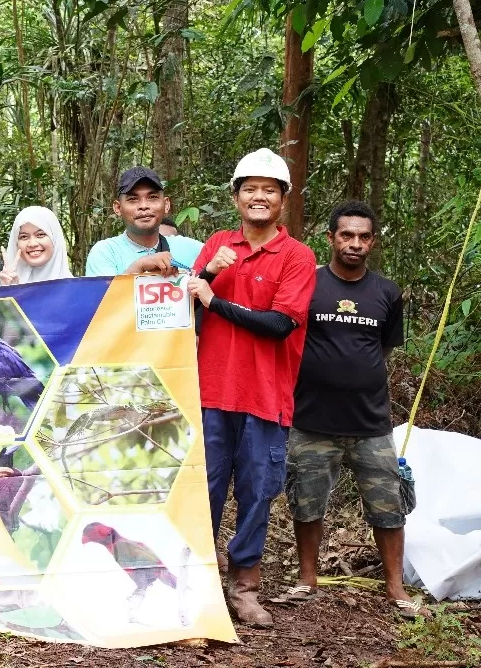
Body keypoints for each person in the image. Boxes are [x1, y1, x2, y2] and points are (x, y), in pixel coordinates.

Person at [184, 148, 318, 627]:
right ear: (236, 197)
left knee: (258, 493)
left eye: (269, 189)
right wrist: (207, 273)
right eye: (249, 189)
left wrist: (216, 300)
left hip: (265, 397)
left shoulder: (298, 256)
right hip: (209, 394)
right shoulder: (217, 243)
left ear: (283, 198)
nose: (258, 197)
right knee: (205, 491)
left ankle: (245, 588)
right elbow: (184, 305)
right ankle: (198, 586)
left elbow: (281, 324)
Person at [276, 201, 422, 617]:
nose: (354, 243)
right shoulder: (309, 284)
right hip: (311, 419)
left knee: (388, 503)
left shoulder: (387, 292)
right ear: (331, 239)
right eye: (346, 235)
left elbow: (384, 348)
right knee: (307, 501)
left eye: (363, 236)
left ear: (372, 241)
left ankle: (395, 589)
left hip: (371, 421)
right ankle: (307, 579)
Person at [85, 166, 203, 276]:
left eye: (152, 197)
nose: (144, 206)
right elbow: (102, 297)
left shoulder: (192, 249)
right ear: (118, 208)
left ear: (166, 205)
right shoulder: (105, 252)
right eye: (133, 199)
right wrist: (139, 266)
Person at [0, 206, 72, 285]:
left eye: (40, 235)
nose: (32, 244)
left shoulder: (76, 290)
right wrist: (7, 291)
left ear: (55, 239)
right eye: (24, 237)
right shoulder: (3, 284)